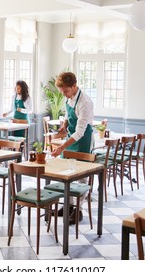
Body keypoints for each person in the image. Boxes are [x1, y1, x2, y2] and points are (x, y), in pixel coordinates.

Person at [51, 72, 94, 224]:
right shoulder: (68, 98)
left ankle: (78, 210)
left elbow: (80, 132)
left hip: (83, 140)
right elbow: (69, 118)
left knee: (82, 178)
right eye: (62, 92)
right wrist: (63, 126)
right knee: (66, 174)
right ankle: (68, 206)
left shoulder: (85, 103)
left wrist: (61, 147)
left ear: (74, 86)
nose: (64, 95)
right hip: (71, 138)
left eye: (66, 91)